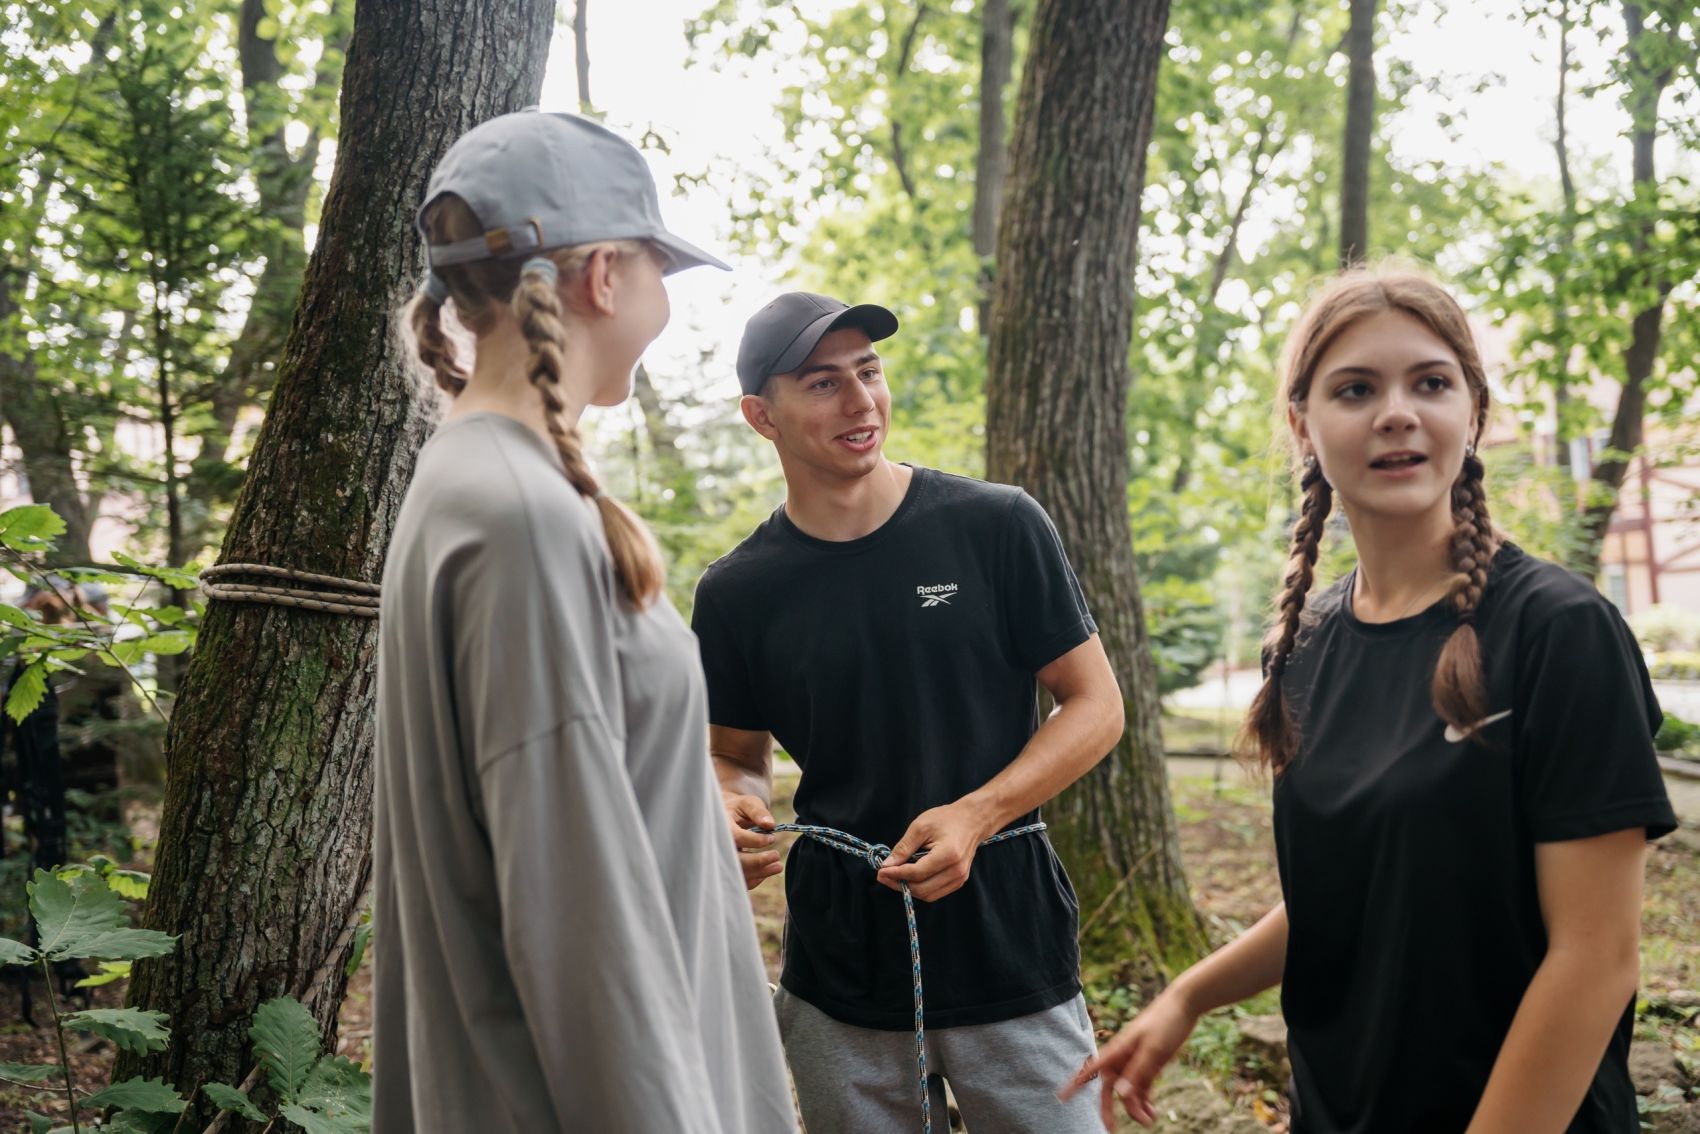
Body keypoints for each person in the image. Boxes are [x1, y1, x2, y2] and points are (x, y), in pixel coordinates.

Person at [1063, 268, 1677, 1133]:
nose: (1397, 413)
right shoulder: (1305, 643)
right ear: (1303, 426)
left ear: (1474, 412)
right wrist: (1189, 996)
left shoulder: (1558, 630)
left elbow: (1596, 958)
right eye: (1356, 389)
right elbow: (1356, 890)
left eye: (1431, 383)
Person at [372, 110, 795, 1134]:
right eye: (660, 268)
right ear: (604, 275)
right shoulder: (518, 516)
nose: (664, 301)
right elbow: (573, 921)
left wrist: (679, 807)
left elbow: (550, 803)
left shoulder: (474, 480)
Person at [692, 291, 1125, 1132]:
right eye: (822, 383)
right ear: (761, 416)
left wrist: (977, 814)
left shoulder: (995, 525)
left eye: (869, 371)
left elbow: (1096, 704)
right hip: (839, 967)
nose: (860, 401)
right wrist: (729, 801)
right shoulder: (737, 591)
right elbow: (735, 752)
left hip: (1010, 940)